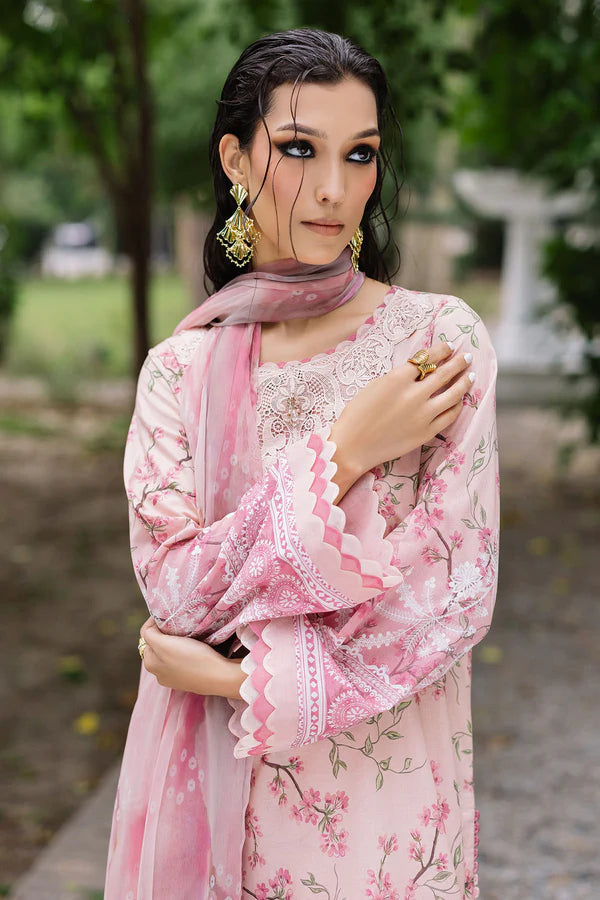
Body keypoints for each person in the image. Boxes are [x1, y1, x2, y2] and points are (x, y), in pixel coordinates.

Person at [104, 27, 499, 900]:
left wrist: (235, 675)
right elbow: (175, 592)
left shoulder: (439, 343)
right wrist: (345, 453)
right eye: (297, 148)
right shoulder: (181, 372)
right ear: (235, 160)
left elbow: (447, 595)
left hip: (389, 812)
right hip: (229, 816)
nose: (334, 188)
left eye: (360, 154)